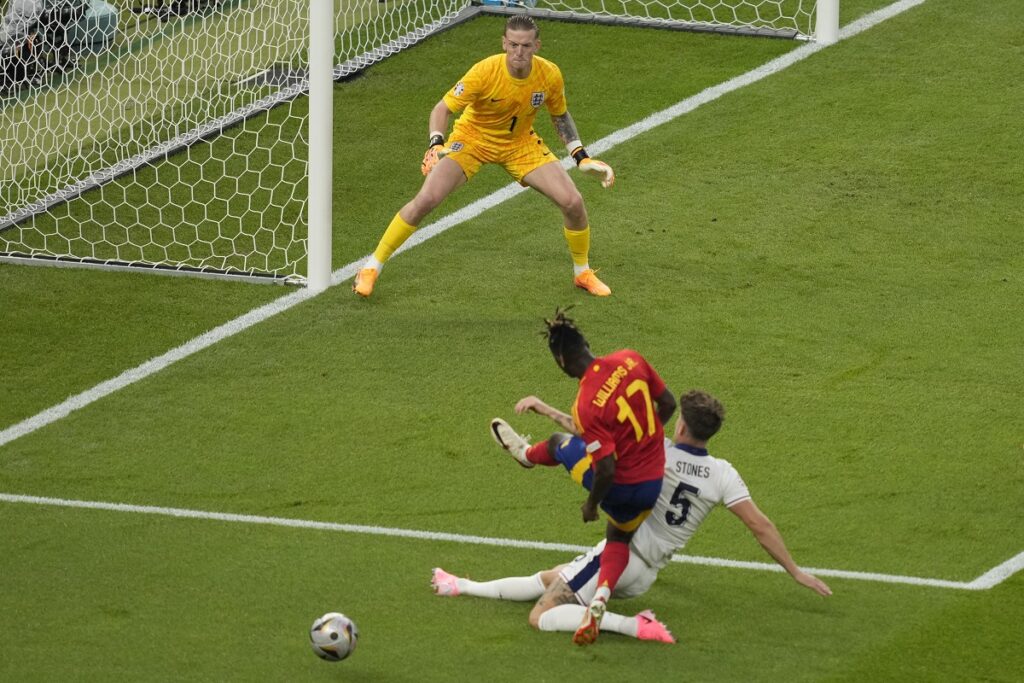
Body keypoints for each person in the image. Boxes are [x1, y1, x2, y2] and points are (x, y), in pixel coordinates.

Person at [432, 389, 832, 644]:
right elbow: (759, 525)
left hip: (620, 555)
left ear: (682, 425)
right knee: (553, 577)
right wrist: (795, 571)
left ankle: (632, 625)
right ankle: (460, 586)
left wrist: (546, 411)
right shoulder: (724, 474)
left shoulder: (658, 450)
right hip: (647, 569)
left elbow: (590, 434)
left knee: (542, 615)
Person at [353, 14, 616, 298]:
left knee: (573, 202)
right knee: (427, 199)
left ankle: (582, 273)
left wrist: (581, 157)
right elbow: (441, 109)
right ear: (504, 43)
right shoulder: (484, 72)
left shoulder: (549, 74)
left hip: (519, 144)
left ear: (537, 45)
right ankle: (371, 268)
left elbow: (560, 115)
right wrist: (435, 144)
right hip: (472, 140)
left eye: (526, 46)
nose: (519, 52)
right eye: (513, 44)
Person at [490, 308, 676, 645]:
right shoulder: (631, 359)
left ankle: (526, 457)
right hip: (653, 484)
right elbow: (668, 403)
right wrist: (645, 444)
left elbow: (605, 470)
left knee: (562, 444)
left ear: (560, 362)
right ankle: (601, 597)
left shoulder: (587, 403)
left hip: (620, 487)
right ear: (587, 343)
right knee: (617, 538)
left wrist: (592, 504)